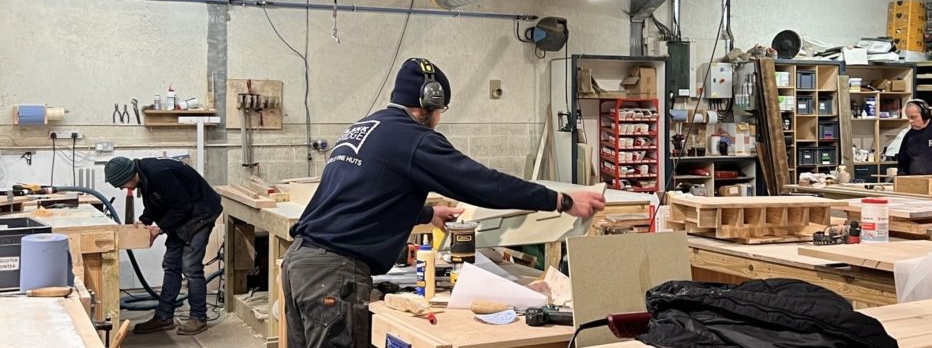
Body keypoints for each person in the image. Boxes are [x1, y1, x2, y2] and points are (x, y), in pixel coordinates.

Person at [283, 58, 606, 348]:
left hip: (302, 264)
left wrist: (425, 212)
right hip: (333, 274)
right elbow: (482, 184)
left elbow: (362, 195)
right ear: (430, 102)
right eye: (441, 110)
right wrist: (560, 200)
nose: (439, 119)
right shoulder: (414, 137)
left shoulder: (367, 127)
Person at [104, 156, 223, 335]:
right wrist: (144, 221)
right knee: (171, 264)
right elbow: (155, 202)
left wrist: (158, 229)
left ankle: (199, 317)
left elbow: (181, 206)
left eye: (121, 184)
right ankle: (164, 317)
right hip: (183, 213)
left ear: (129, 175)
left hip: (201, 212)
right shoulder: (143, 176)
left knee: (190, 267)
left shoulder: (160, 174)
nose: (122, 188)